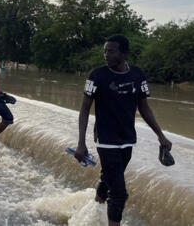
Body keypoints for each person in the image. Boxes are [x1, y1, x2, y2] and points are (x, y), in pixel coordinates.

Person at [73, 34, 172, 226]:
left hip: (127, 139)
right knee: (119, 192)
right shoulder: (97, 76)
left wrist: (161, 135)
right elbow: (85, 108)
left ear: (124, 53)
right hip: (105, 139)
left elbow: (144, 107)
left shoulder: (137, 75)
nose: (106, 54)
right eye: (105, 50)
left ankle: (93, 215)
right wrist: (81, 143)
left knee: (107, 180)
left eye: (111, 51)